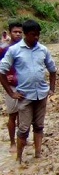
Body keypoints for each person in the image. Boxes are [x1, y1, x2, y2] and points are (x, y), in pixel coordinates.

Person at [0, 20, 57, 163]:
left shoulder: (43, 50)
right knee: (23, 129)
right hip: (24, 95)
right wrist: (11, 93)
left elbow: (52, 69)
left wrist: (52, 89)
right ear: (26, 34)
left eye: (38, 35)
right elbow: (1, 72)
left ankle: (38, 154)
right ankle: (19, 157)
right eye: (33, 35)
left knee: (39, 125)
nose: (36, 38)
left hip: (41, 94)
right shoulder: (14, 50)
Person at [0, 22, 23, 153]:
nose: (18, 34)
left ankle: (21, 139)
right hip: (11, 86)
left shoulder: (25, 47)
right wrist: (6, 77)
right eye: (15, 32)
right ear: (10, 33)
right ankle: (12, 142)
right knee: (12, 115)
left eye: (20, 32)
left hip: (23, 84)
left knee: (23, 115)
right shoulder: (4, 49)